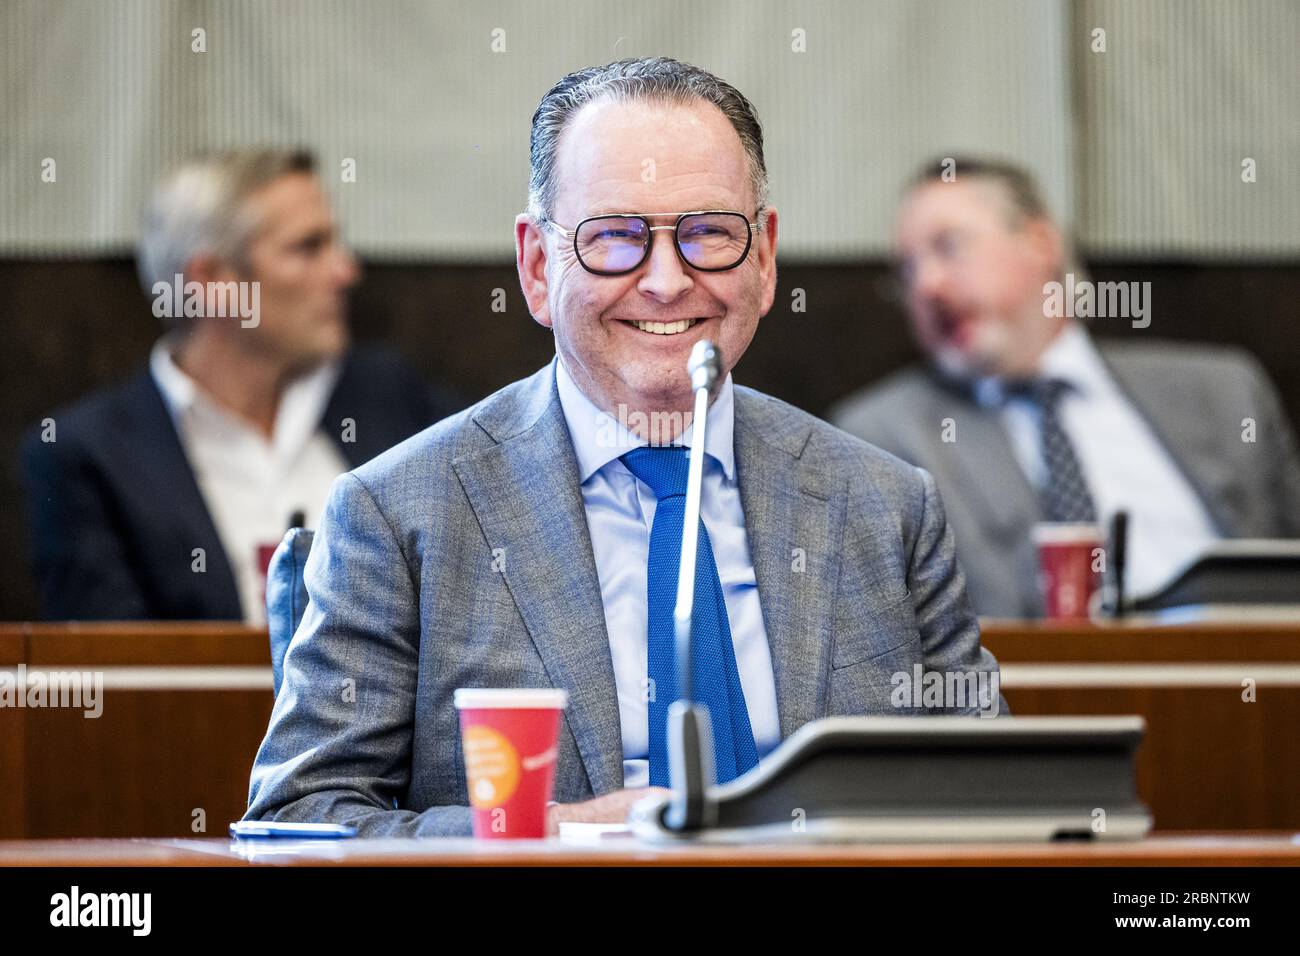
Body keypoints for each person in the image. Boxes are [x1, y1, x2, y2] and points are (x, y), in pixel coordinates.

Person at [245, 58, 1003, 837]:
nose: (669, 281)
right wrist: (562, 834)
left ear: (766, 257)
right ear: (538, 268)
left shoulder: (886, 506)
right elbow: (302, 822)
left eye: (710, 233)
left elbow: (997, 798)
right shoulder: (399, 514)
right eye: (614, 238)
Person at [832, 158, 1300, 617]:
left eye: (949, 247)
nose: (927, 286)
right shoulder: (880, 437)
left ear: (1040, 242)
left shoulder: (1223, 392)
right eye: (908, 271)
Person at [22, 149, 459, 622]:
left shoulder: (394, 401)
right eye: (309, 247)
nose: (345, 271)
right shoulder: (87, 457)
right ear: (213, 281)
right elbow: (119, 678)